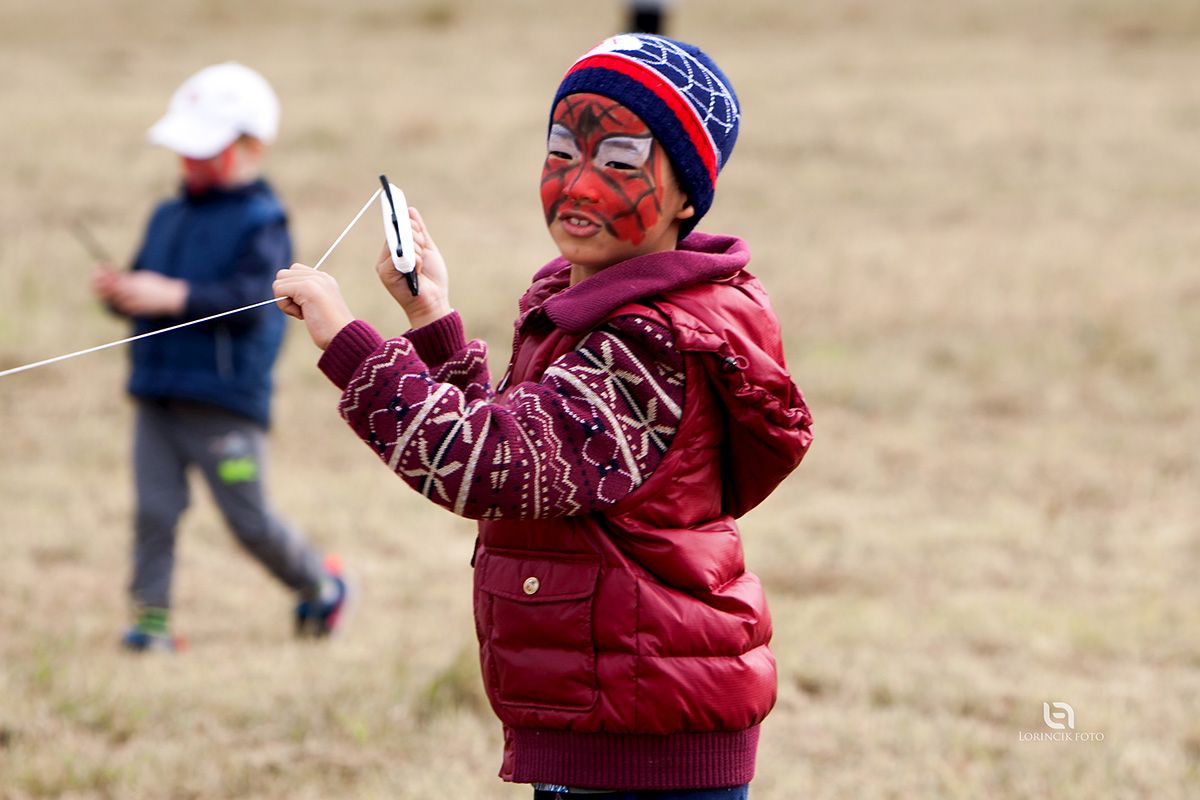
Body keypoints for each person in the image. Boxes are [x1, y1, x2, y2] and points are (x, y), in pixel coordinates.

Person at [274, 34, 812, 796]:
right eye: (562, 152)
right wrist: (431, 318)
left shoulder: (649, 345)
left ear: (688, 197)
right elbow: (529, 445)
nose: (579, 185)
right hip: (606, 723)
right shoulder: (586, 306)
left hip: (647, 749)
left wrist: (348, 344)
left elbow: (488, 466)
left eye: (620, 163)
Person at [91, 62, 347, 652]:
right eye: (185, 148)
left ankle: (322, 586)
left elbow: (255, 302)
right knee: (154, 512)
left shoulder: (264, 222)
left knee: (248, 520)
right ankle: (150, 624)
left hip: (223, 404)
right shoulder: (167, 215)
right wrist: (121, 291)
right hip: (157, 393)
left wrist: (172, 296)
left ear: (251, 146)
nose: (191, 161)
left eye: (205, 149)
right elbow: (145, 287)